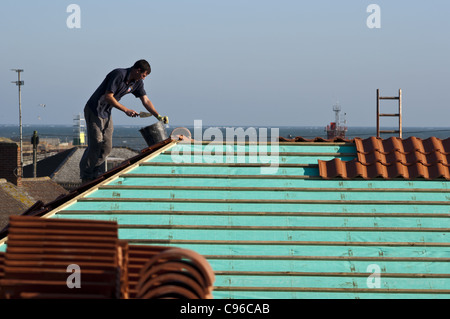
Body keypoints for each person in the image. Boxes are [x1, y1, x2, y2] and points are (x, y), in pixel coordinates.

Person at [79, 59, 168, 184]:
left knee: (107, 146)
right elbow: (108, 96)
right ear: (137, 70)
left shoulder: (137, 82)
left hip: (106, 113)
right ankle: (86, 176)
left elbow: (146, 101)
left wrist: (158, 116)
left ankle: (95, 173)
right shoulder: (119, 74)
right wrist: (126, 110)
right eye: (143, 75)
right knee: (96, 144)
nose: (143, 79)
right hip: (94, 110)